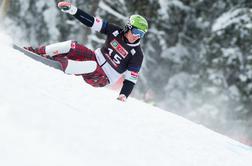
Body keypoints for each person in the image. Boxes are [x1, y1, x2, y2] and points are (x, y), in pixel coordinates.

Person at [25, 1, 148, 102]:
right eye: (136, 32)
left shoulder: (137, 55)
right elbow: (92, 22)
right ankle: (38, 52)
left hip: (103, 77)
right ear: (128, 27)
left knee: (91, 65)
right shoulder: (114, 31)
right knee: (71, 45)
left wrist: (123, 95)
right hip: (94, 57)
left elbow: (130, 80)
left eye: (141, 34)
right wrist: (72, 10)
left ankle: (58, 63)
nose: (137, 36)